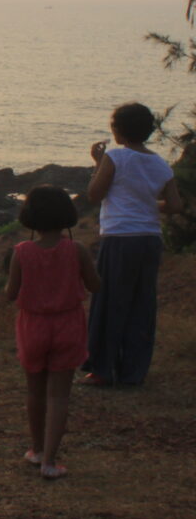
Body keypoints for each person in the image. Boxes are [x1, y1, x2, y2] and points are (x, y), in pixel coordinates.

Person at [82, 102, 183, 387]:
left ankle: (102, 369)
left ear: (118, 130)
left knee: (110, 302)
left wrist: (97, 164)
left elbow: (94, 194)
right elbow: (174, 205)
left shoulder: (116, 158)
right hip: (150, 239)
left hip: (120, 238)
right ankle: (133, 372)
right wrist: (148, 203)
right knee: (142, 305)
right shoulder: (161, 164)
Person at [5, 185, 100, 480]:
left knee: (35, 391)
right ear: (66, 215)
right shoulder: (77, 249)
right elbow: (95, 285)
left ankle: (34, 449)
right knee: (59, 396)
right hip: (68, 324)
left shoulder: (21, 252)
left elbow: (11, 294)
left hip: (33, 325)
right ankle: (50, 461)